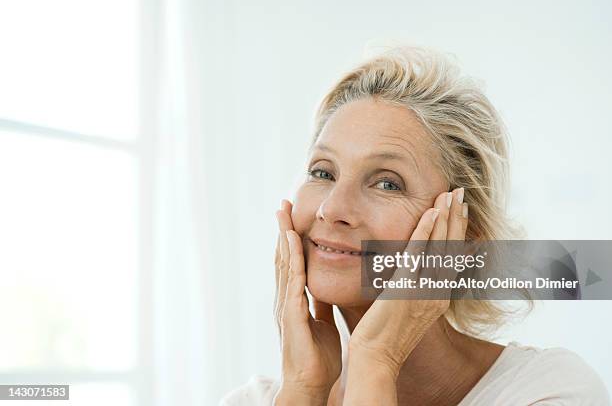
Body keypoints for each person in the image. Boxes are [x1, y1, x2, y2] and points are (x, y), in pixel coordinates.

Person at [220, 46, 610, 405]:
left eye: (387, 182)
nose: (331, 207)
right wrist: (304, 389)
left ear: (464, 238)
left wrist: (376, 361)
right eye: (322, 172)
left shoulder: (548, 392)